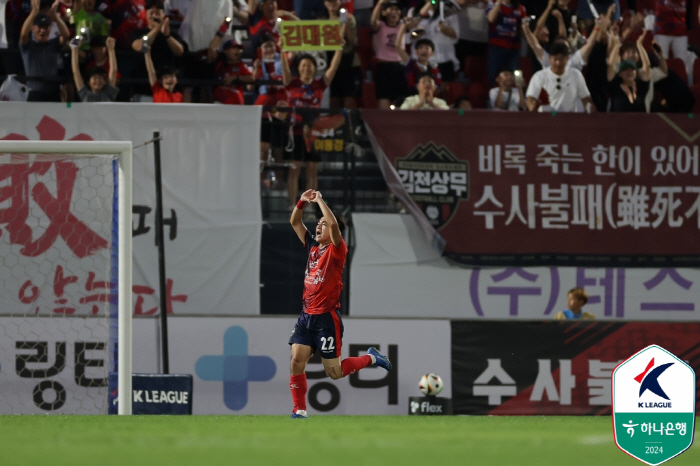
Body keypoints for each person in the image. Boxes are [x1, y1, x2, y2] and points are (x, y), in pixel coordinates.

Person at [288, 189, 392, 419]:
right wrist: (302, 202)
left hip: (326, 318)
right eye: (318, 224)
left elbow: (334, 227)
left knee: (333, 372)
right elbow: (294, 221)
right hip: (307, 316)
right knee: (296, 360)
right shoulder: (312, 247)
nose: (318, 227)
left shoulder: (337, 250)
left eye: (322, 224)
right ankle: (300, 410)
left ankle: (372, 358)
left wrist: (320, 201)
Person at [281, 34, 343, 211]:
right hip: (294, 133)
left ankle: (308, 209)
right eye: (303, 65)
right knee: (294, 170)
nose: (306, 68)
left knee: (312, 171)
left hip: (313, 135)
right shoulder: (291, 83)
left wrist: (338, 48)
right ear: (299, 69)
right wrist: (282, 48)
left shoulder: (319, 85)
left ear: (314, 68)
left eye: (310, 65)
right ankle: (292, 206)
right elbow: (285, 67)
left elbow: (333, 68)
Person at [19, 0, 71, 102]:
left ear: (50, 29)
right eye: (39, 27)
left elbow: (65, 35)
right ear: (33, 29)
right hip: (35, 94)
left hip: (54, 94)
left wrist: (55, 17)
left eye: (46, 27)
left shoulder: (53, 44)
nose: (42, 30)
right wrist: (34, 11)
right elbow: (23, 35)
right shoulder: (28, 47)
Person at [525, 41, 595, 112]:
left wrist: (589, 107)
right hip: (547, 117)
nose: (558, 63)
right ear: (550, 58)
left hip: (569, 118)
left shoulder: (576, 74)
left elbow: (586, 98)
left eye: (561, 59)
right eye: (555, 59)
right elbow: (531, 98)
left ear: (567, 59)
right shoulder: (539, 76)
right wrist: (532, 106)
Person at [371, 0, 407, 109]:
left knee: (401, 103)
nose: (394, 12)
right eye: (391, 9)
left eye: (397, 10)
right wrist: (379, 4)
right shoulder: (380, 26)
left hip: (399, 67)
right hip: (383, 67)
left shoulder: (403, 25)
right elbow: (373, 22)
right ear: (384, 13)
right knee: (383, 100)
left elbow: (415, 23)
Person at [485, 0, 526, 87]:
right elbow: (491, 19)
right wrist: (499, 2)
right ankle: (494, 98)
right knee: (494, 77)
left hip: (513, 49)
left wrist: (526, 23)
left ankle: (516, 98)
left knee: (514, 78)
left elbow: (523, 32)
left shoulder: (520, 8)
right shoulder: (492, 3)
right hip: (496, 47)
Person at [607, 30, 650, 112]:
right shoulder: (615, 85)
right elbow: (610, 65)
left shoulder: (641, 86)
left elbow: (647, 66)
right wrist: (616, 45)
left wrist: (639, 45)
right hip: (617, 123)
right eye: (625, 70)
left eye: (632, 70)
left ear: (636, 73)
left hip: (640, 123)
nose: (629, 72)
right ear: (620, 74)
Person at [71, 36, 119, 101]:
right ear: (88, 82)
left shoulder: (108, 93)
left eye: (100, 78)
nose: (98, 81)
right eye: (94, 78)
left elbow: (113, 71)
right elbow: (76, 72)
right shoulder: (84, 93)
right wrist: (74, 49)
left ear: (105, 82)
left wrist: (111, 49)